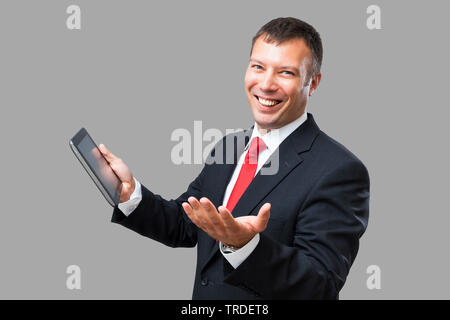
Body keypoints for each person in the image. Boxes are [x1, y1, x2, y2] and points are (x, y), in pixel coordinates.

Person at [98, 17, 370, 299]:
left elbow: (319, 285)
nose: (266, 84)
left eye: (286, 73)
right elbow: (185, 223)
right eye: (258, 67)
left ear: (312, 83)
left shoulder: (339, 171)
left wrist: (246, 246)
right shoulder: (229, 147)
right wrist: (131, 194)